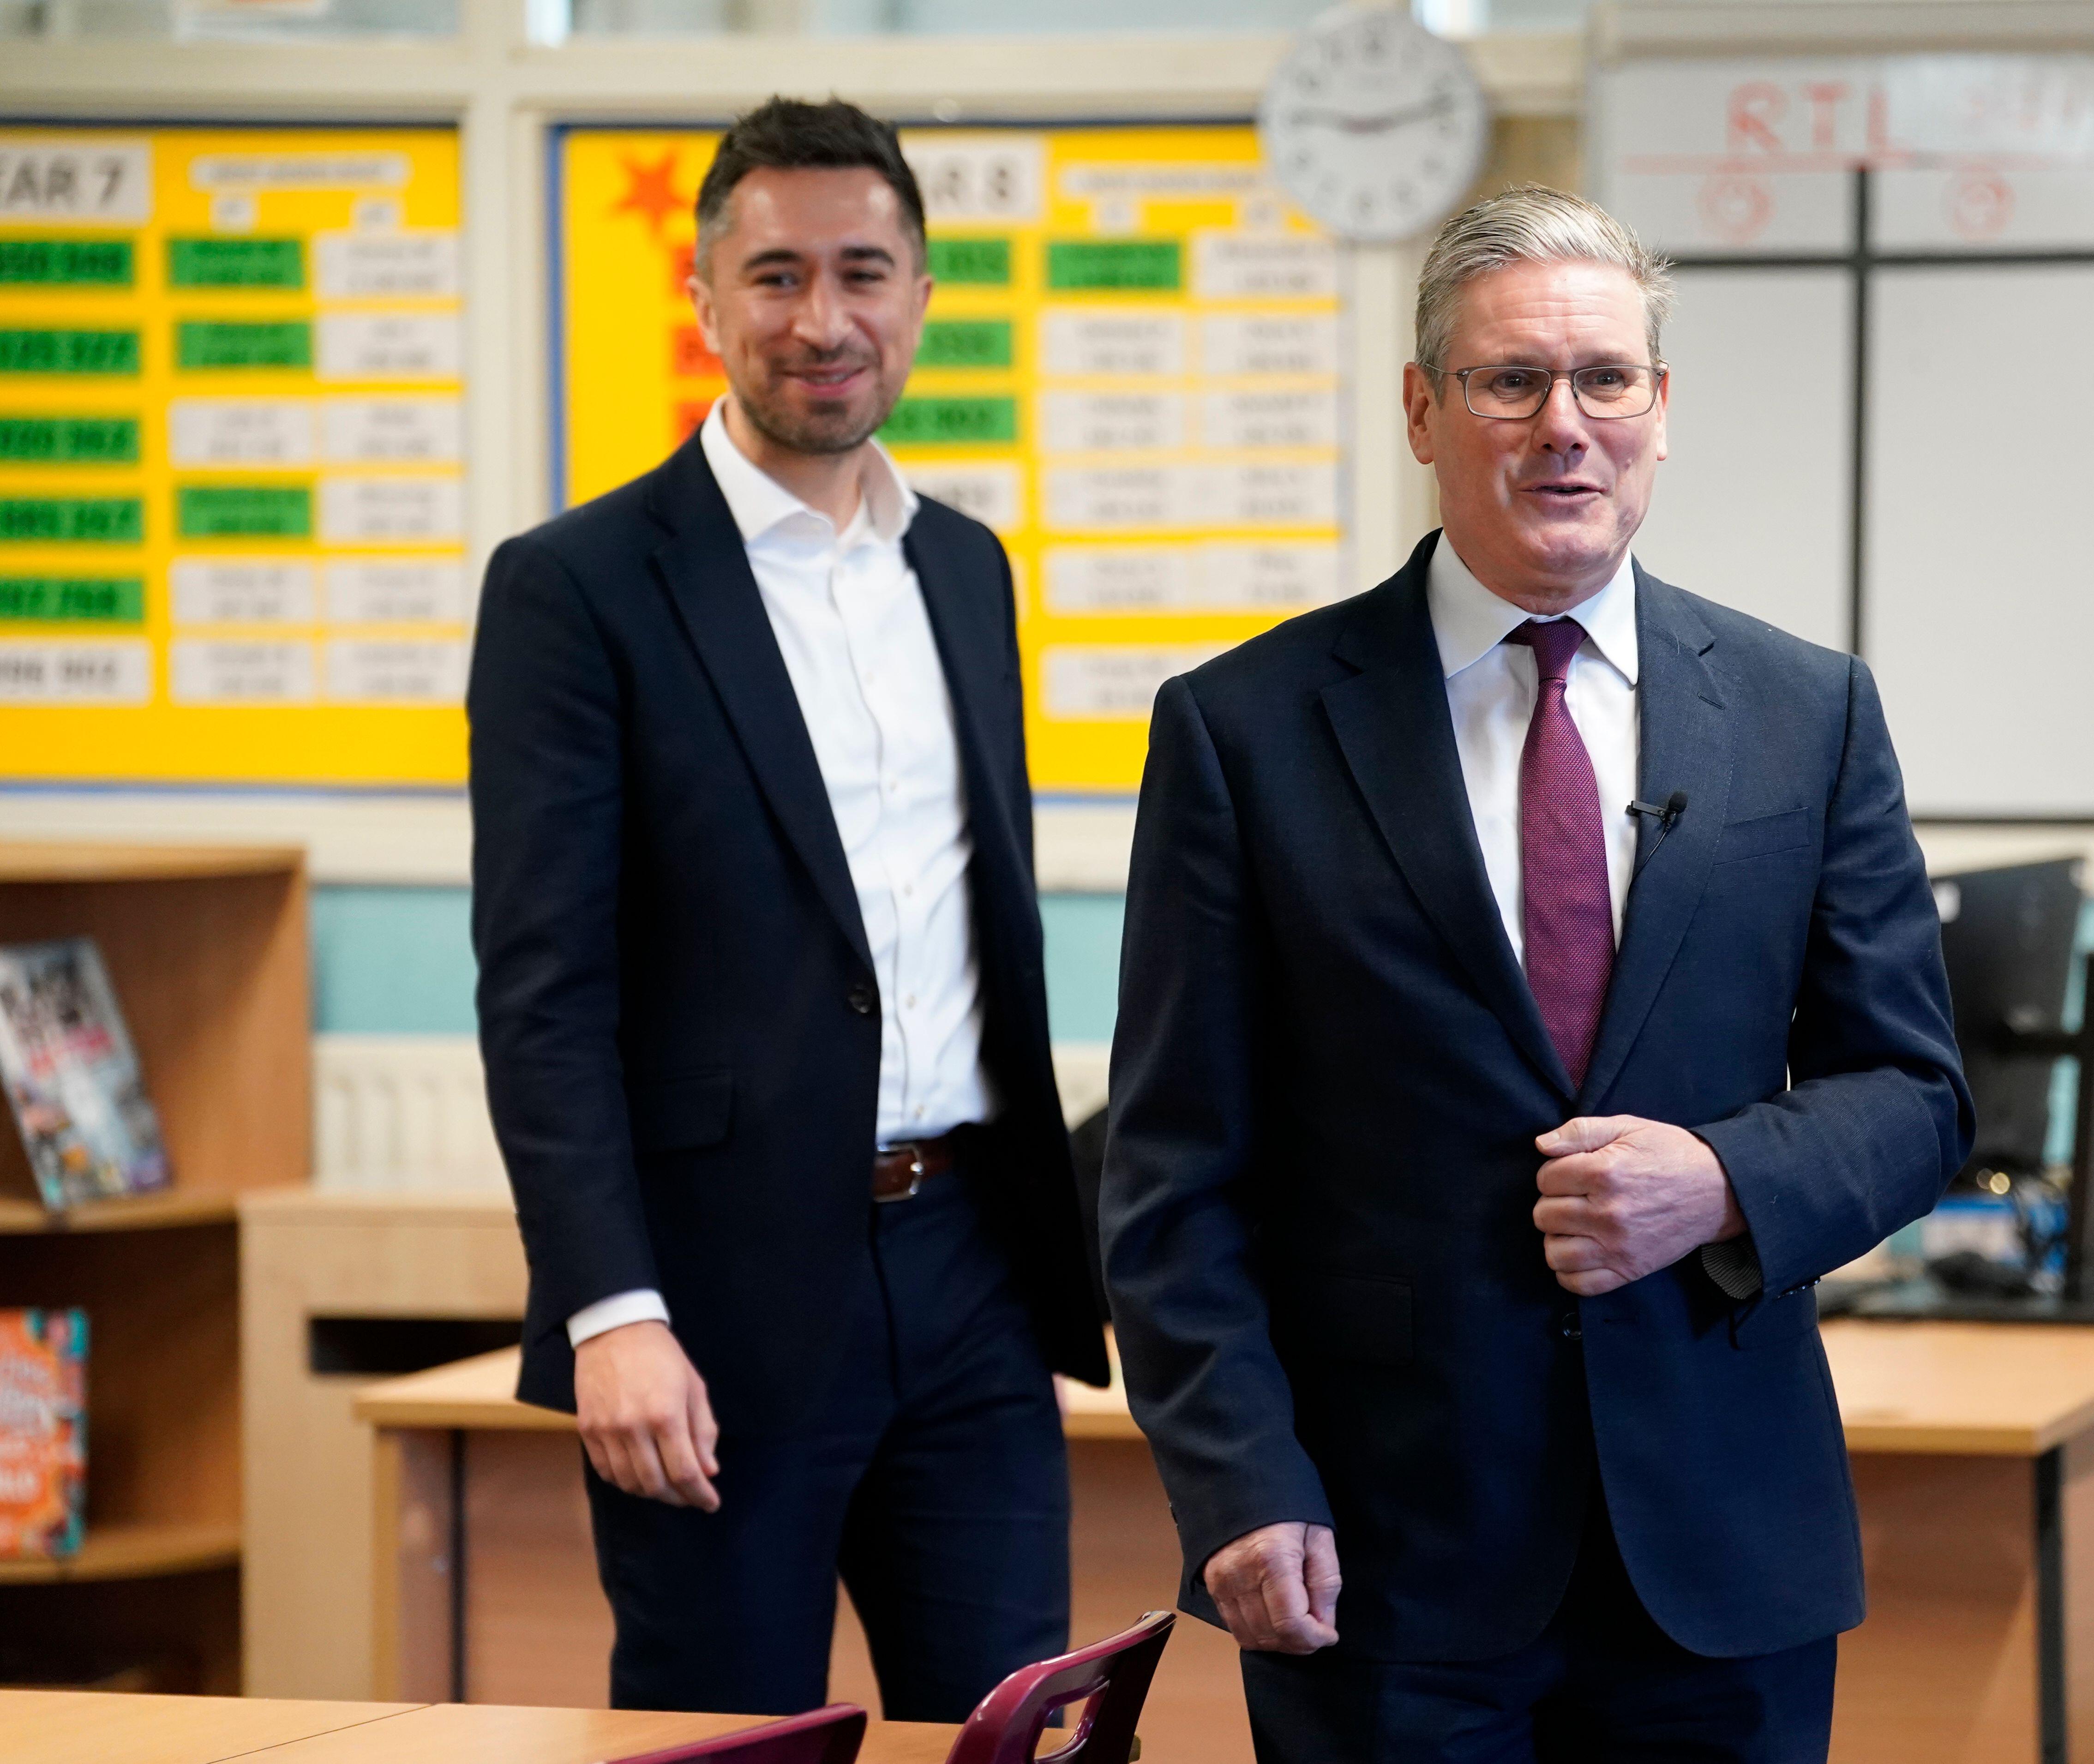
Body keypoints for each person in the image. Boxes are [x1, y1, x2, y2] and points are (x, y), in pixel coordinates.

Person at [1099, 185, 1974, 1762]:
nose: (1563, 427)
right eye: (1511, 383)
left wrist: (1720, 1179)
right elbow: (1170, 1176)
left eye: (1604, 381)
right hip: (1382, 1570)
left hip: (1721, 1561)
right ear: (1427, 411)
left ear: (1659, 409)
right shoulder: (1244, 731)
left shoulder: (1805, 712)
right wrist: (1238, 1482)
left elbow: (1915, 1094)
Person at [468, 96, 1105, 1720]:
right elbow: (546, 991)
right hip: (715, 1300)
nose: (821, 320)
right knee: (725, 1743)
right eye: (774, 277)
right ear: (704, 301)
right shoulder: (579, 589)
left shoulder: (965, 570)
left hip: (971, 1270)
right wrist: (610, 1312)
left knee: (1007, 1733)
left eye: (862, 271)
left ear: (920, 294)